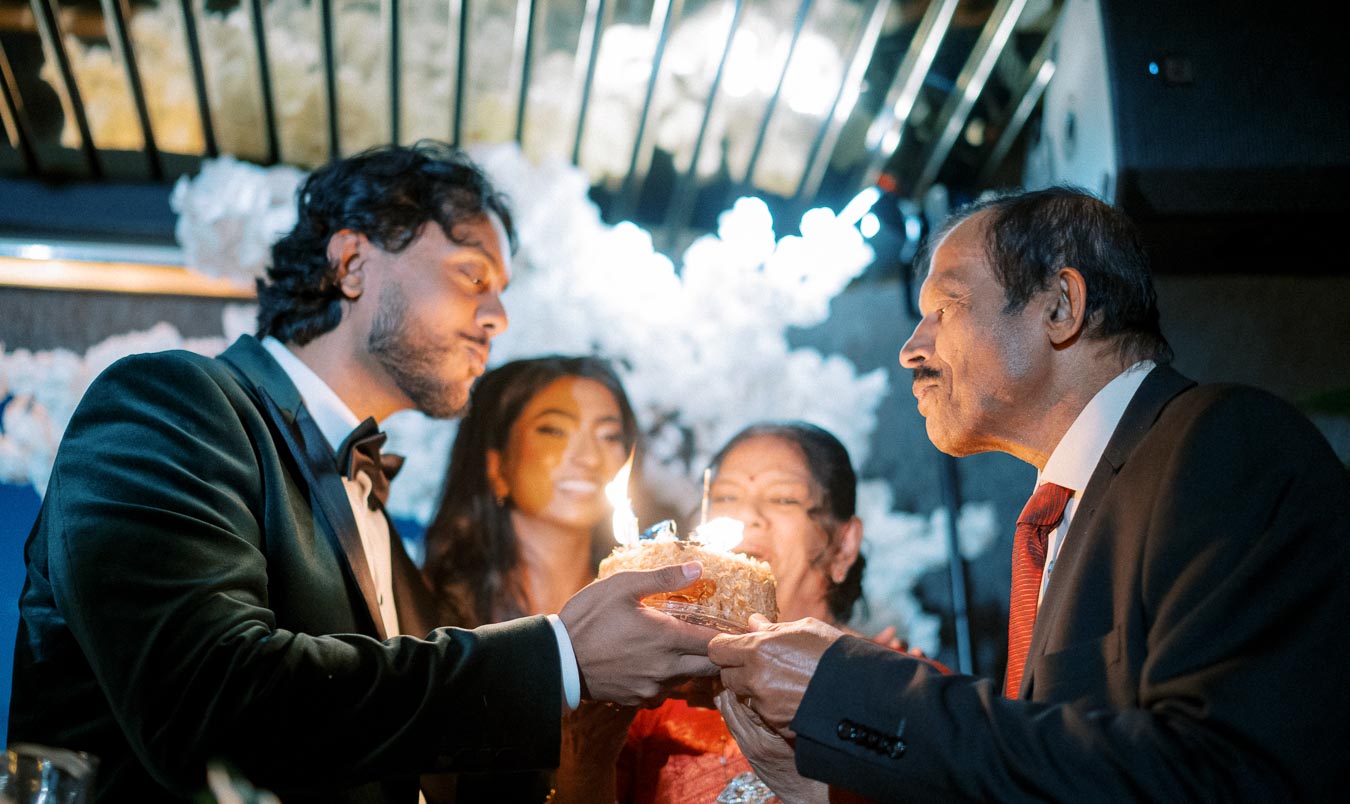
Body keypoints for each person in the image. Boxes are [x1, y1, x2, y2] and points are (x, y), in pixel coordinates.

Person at [8, 142, 719, 803]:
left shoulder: (373, 519)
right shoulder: (169, 403)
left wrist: (615, 718)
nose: (498, 316)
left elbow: (424, 758)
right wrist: (562, 655)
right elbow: (210, 708)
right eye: (473, 275)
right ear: (351, 263)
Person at [708, 187, 1350, 801]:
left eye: (945, 309)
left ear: (1060, 308)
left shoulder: (1221, 444)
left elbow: (1220, 777)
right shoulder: (1063, 516)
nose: (911, 349)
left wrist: (851, 688)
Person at [421, 354, 641, 802]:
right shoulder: (428, 615)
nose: (588, 457)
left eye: (609, 435)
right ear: (496, 466)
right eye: (554, 430)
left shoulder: (650, 611)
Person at [617, 421, 868, 804]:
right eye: (727, 498)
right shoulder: (659, 698)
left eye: (783, 499)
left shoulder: (896, 697)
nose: (746, 516)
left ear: (844, 545)